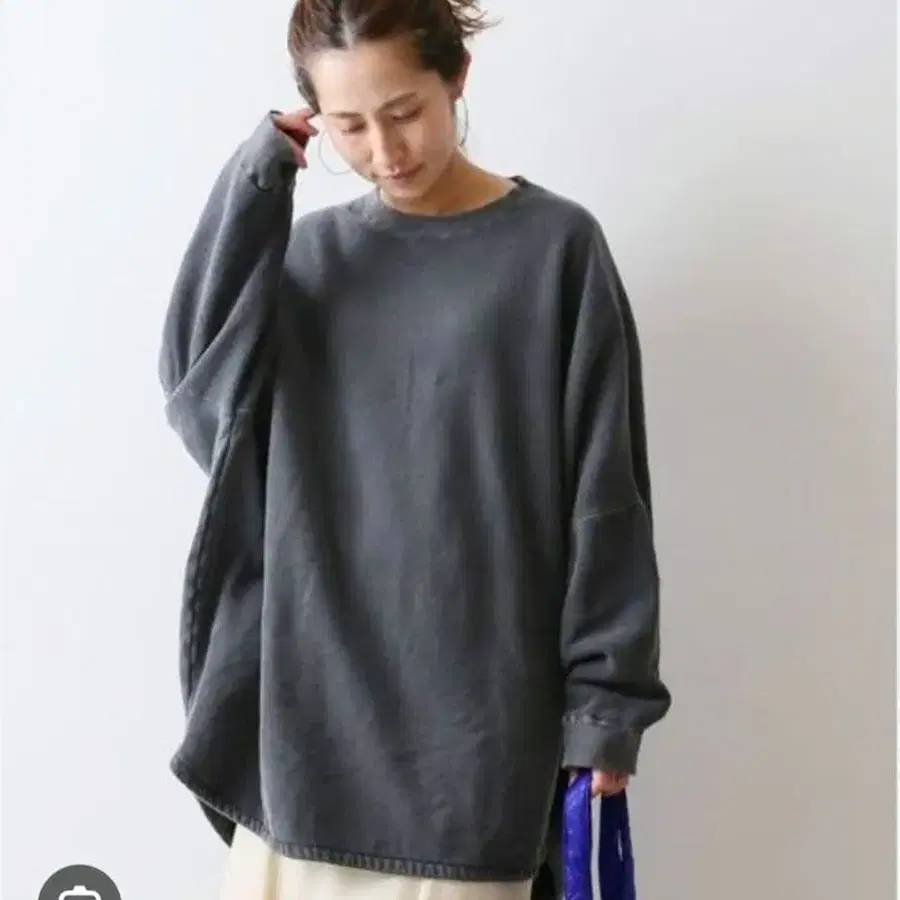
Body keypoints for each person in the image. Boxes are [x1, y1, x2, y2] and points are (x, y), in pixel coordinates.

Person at [157, 1, 672, 898]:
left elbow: (607, 499)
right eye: (349, 126)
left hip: (472, 762)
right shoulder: (311, 259)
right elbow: (201, 400)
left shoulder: (555, 251)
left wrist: (605, 711)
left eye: (405, 112)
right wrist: (257, 180)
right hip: (305, 750)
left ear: (456, 77)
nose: (386, 151)